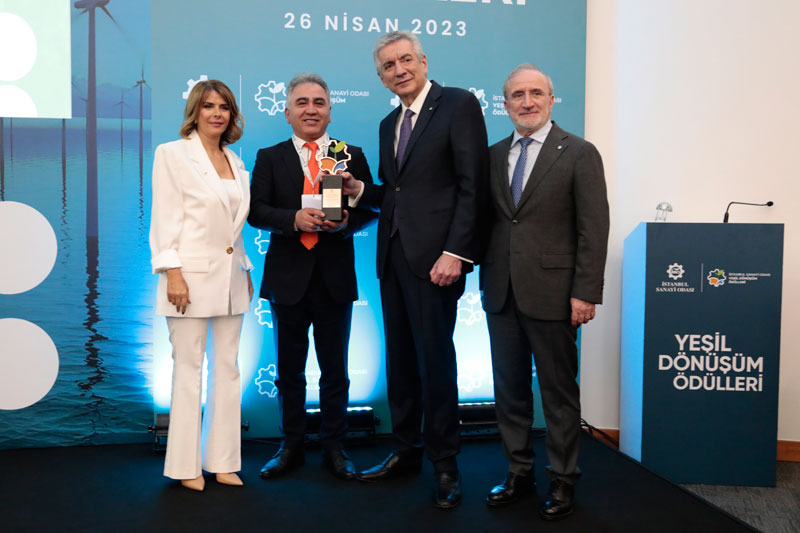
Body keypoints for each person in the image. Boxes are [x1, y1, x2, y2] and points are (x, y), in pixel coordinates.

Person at [342, 31, 489, 509]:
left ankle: (445, 464)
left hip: (438, 262)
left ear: (423, 61)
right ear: (381, 77)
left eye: (406, 59)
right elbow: (397, 193)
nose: (399, 69)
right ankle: (406, 451)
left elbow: (472, 185)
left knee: (435, 363)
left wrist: (457, 252)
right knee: (401, 362)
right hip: (393, 258)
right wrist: (359, 191)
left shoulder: (458, 104)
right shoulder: (388, 123)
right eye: (389, 65)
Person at [480, 64, 609, 520]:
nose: (527, 101)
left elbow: (594, 227)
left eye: (536, 93)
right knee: (509, 391)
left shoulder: (579, 152)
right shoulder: (493, 155)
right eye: (517, 95)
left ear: (552, 100)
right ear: (505, 104)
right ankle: (518, 472)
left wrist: (585, 291)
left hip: (555, 294)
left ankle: (563, 478)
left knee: (557, 393)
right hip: (501, 292)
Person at [248, 72, 377, 481]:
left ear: (330, 112)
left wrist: (346, 224)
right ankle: (291, 445)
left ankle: (335, 446)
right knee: (289, 371)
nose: (310, 109)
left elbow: (371, 207)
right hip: (287, 279)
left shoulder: (348, 154)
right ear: (287, 113)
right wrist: (294, 219)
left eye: (318, 102)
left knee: (336, 370)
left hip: (334, 278)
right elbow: (255, 211)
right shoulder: (269, 157)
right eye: (302, 102)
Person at [150, 79, 253, 491]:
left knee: (227, 370)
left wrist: (245, 268)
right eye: (209, 105)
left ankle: (223, 461)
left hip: (232, 280)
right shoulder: (172, 154)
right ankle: (184, 465)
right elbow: (165, 218)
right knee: (188, 370)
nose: (217, 113)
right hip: (187, 280)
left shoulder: (236, 161)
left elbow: (233, 229)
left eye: (224, 107)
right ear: (195, 111)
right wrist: (171, 272)